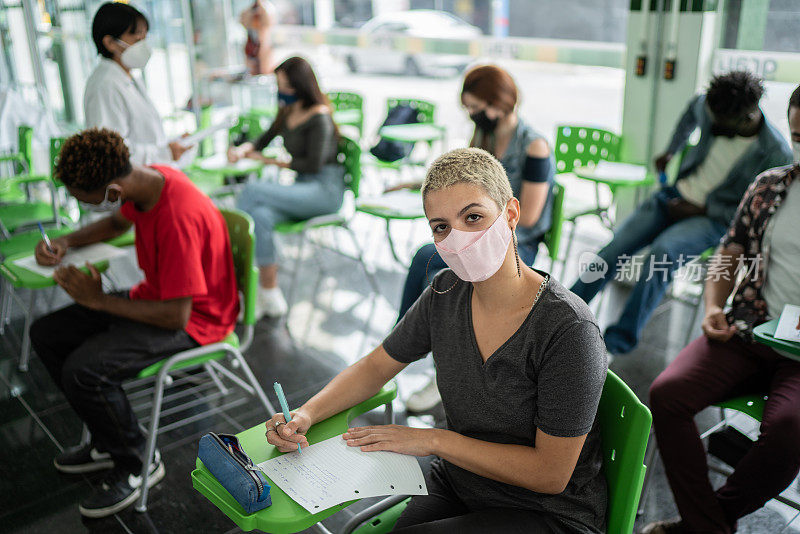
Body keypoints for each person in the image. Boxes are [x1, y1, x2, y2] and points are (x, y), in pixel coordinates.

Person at [265, 148, 608, 533]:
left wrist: (435, 441)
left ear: (511, 214)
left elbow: (550, 474)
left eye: (473, 217)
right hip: (463, 482)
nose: (457, 238)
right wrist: (307, 414)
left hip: (547, 512)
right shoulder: (446, 292)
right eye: (441, 226)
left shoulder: (567, 329)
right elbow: (378, 365)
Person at [29, 128, 238, 518]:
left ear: (112, 191)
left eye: (84, 199)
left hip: (196, 319)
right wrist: (68, 242)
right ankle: (109, 440)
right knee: (46, 333)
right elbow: (116, 225)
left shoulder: (178, 215)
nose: (82, 205)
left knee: (84, 371)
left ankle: (138, 461)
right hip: (159, 297)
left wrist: (98, 300)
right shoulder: (147, 182)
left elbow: (177, 315)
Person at [641, 86, 800, 534]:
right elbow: (730, 252)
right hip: (749, 331)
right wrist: (714, 305)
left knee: (789, 433)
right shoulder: (770, 186)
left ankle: (704, 523)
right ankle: (707, 526)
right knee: (667, 394)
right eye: (796, 135)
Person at [570, 70, 792, 355]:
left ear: (748, 117)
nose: (712, 125)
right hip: (672, 198)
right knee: (614, 250)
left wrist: (702, 208)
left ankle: (615, 344)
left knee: (661, 254)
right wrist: (671, 151)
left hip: (712, 218)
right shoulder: (711, 107)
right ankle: (560, 315)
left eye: (719, 124)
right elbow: (691, 112)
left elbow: (748, 213)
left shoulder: (775, 153)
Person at [398, 64, 555, 411]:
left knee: (450, 272)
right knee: (426, 256)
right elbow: (458, 187)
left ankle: (442, 369)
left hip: (516, 239)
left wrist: (483, 216)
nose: (473, 115)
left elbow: (527, 215)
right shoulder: (483, 139)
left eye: (476, 107)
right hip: (476, 231)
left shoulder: (535, 147)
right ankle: (409, 340)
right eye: (468, 108)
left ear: (498, 102)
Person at [229, 56, 343, 317]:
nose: (283, 92)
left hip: (323, 192)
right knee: (259, 215)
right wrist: (245, 149)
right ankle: (269, 293)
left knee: (253, 190)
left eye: (287, 86)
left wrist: (269, 161)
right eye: (280, 85)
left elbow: (312, 165)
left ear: (301, 86)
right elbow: (265, 138)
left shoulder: (320, 118)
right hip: (301, 189)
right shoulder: (288, 110)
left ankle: (237, 280)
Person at [85, 2, 191, 165]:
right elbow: (111, 152)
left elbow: (144, 136)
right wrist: (164, 153)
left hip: (152, 176)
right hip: (134, 184)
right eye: (137, 39)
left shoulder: (129, 78)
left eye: (145, 38)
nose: (144, 45)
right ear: (110, 43)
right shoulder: (105, 85)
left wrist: (172, 145)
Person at [240, 0, 277, 76]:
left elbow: (268, 21)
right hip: (252, 44)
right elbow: (243, 20)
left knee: (264, 69)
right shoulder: (249, 10)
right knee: (251, 70)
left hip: (263, 45)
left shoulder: (267, 9)